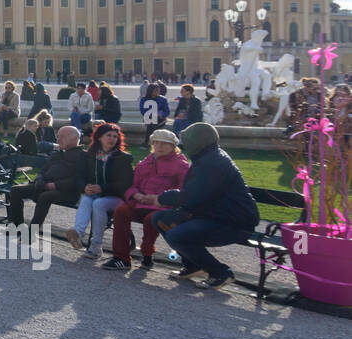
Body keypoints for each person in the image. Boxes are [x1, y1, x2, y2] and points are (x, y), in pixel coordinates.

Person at [152, 123, 259, 287]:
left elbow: (192, 196)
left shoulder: (211, 162)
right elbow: (197, 195)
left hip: (234, 222)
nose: (184, 144)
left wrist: (163, 197)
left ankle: (221, 272)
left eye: (187, 140)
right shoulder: (207, 157)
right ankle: (193, 265)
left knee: (176, 235)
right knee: (160, 219)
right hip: (216, 215)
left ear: (197, 142)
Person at [103, 129, 189, 270]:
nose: (159, 147)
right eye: (157, 143)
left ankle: (147, 254)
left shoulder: (180, 165)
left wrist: (159, 199)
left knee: (151, 219)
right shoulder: (144, 163)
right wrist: (136, 195)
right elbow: (131, 186)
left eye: (164, 144)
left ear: (173, 146)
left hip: (162, 207)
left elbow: (184, 191)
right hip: (139, 204)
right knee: (121, 211)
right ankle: (121, 258)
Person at [67, 122, 134, 259]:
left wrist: (102, 188)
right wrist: (85, 187)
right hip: (94, 194)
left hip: (116, 197)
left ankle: (96, 247)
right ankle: (78, 234)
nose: (112, 139)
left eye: (115, 136)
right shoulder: (88, 156)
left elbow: (125, 184)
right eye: (108, 135)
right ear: (99, 138)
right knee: (86, 198)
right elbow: (79, 177)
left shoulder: (123, 158)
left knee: (98, 204)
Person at [5, 125, 88, 226]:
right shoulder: (56, 154)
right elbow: (43, 171)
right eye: (58, 136)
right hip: (44, 186)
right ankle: (17, 226)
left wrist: (56, 185)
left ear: (75, 138)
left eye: (62, 136)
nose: (58, 139)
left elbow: (78, 180)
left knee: (45, 196)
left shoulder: (83, 156)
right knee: (15, 190)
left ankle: (32, 232)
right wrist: (39, 180)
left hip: (67, 192)